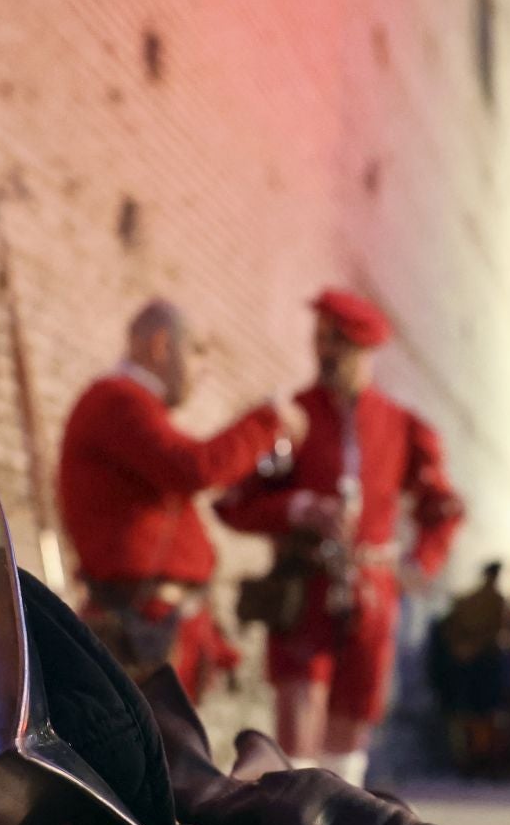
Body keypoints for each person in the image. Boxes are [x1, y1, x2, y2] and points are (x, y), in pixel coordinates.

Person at [216, 289, 464, 785]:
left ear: (365, 351)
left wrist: (421, 563)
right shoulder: (294, 418)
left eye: (340, 346)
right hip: (303, 584)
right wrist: (297, 507)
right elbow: (233, 504)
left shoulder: (400, 426)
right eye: (321, 343)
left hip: (371, 590)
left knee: (354, 720)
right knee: (300, 711)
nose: (327, 356)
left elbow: (444, 508)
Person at [57, 299, 292, 703]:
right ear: (162, 346)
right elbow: (194, 468)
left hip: (162, 628)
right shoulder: (116, 400)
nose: (205, 368)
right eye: (198, 350)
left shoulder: (132, 405)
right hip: (140, 630)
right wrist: (269, 420)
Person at [441, 560, 510, 777]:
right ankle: (487, 761)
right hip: (488, 663)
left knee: (474, 715)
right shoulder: (496, 601)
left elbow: (450, 631)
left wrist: (463, 650)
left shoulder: (468, 600)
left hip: (470, 663)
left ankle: (475, 760)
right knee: (489, 714)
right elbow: (503, 633)